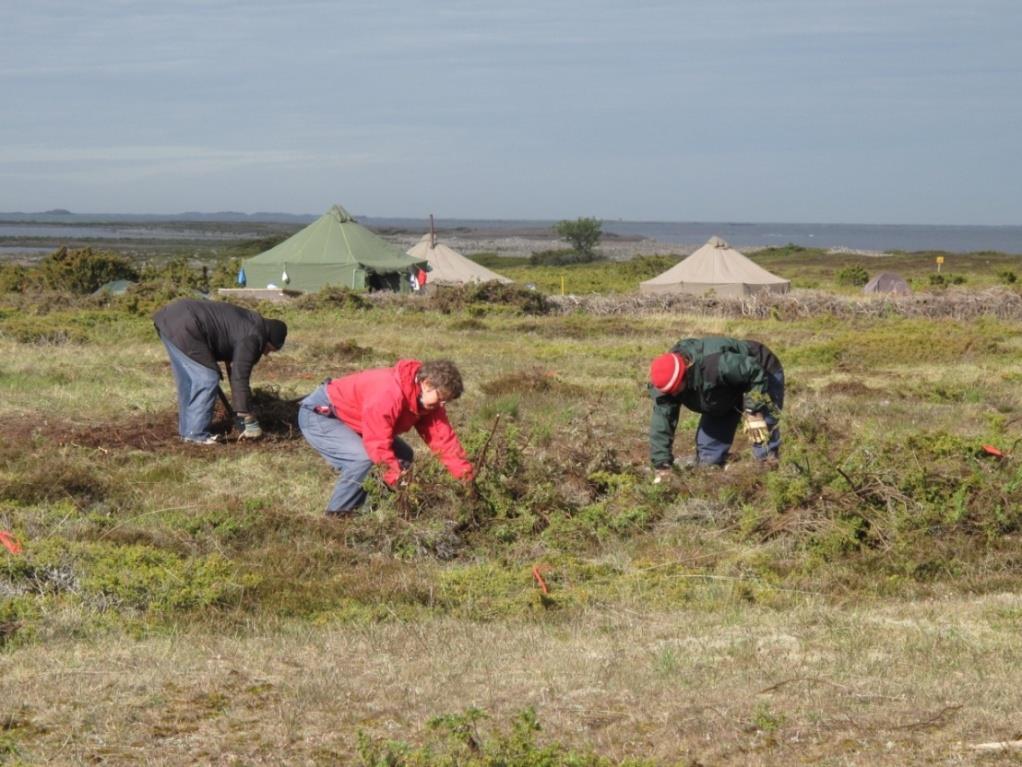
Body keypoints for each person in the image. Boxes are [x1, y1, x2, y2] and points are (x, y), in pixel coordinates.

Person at [298, 359, 474, 516]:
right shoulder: (388, 393)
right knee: (363, 460)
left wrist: (468, 480)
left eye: (446, 401)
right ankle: (337, 518)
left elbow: (444, 441)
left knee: (403, 456)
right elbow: (378, 444)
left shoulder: (428, 402)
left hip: (355, 420)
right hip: (322, 414)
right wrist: (397, 479)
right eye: (441, 398)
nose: (442, 405)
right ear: (427, 384)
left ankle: (379, 512)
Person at [153, 298, 287, 444]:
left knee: (188, 382)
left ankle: (188, 432)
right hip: (187, 324)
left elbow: (233, 370)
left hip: (170, 318)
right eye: (269, 349)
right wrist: (246, 415)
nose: (266, 353)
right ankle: (196, 434)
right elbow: (240, 376)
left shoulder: (247, 324)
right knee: (207, 379)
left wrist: (240, 410)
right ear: (268, 339)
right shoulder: (254, 337)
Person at [648, 336, 784, 478]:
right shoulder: (664, 383)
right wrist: (661, 465)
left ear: (686, 373)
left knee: (760, 429)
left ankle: (768, 470)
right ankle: (724, 463)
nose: (674, 394)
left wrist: (753, 410)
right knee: (709, 461)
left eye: (676, 389)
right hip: (721, 390)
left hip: (759, 371)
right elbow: (661, 424)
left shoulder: (714, 364)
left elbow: (754, 372)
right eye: (670, 391)